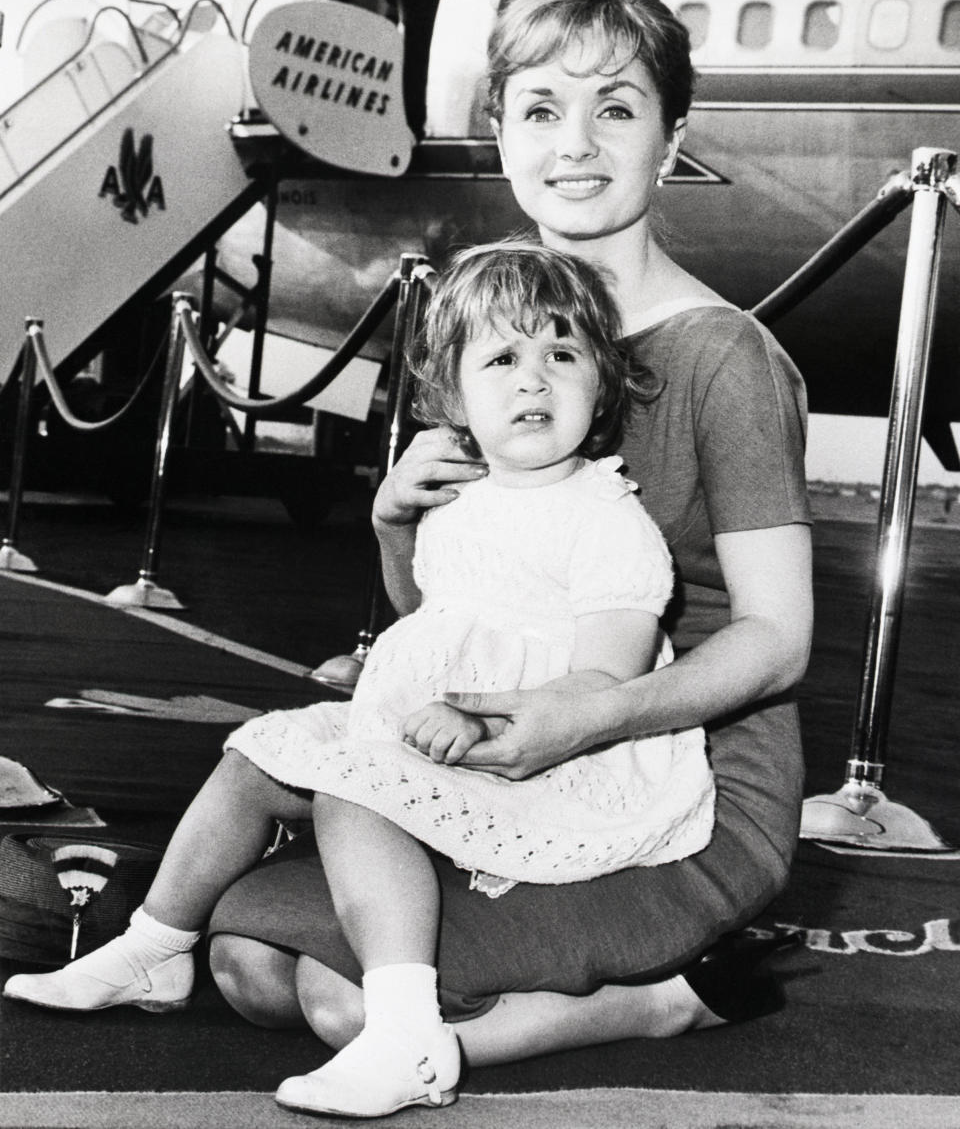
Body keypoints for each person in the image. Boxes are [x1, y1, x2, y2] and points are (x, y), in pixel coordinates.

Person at [198, 0, 813, 1087]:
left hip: (682, 772)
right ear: (500, 131)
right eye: (541, 109)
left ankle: (665, 998)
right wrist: (394, 525)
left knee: (337, 992)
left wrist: (593, 715)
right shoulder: (498, 339)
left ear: (672, 139)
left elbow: (780, 637)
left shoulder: (724, 357)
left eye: (616, 109)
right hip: (513, 740)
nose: (575, 144)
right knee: (242, 951)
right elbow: (461, 627)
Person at [3, 241, 715, 1119]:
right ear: (451, 399)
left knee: (351, 789)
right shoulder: (470, 497)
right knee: (256, 757)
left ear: (601, 386)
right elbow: (435, 614)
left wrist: (475, 717)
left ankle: (408, 1033)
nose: (535, 381)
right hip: (446, 735)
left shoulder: (607, 519)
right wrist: (398, 539)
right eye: (503, 358)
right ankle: (155, 944)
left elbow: (603, 681)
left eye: (561, 356)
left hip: (564, 762)